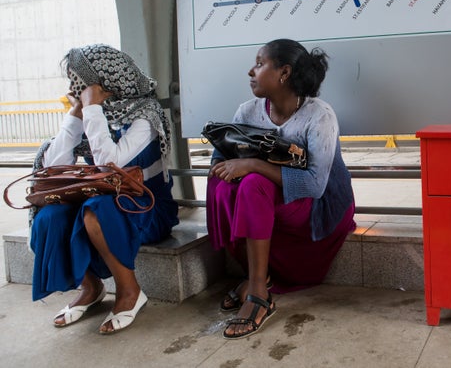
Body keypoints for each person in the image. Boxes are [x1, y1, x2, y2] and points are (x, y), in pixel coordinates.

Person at [206, 38, 356, 339]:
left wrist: (254, 165)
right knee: (222, 186)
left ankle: (259, 293)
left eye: (260, 64)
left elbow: (315, 185)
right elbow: (219, 161)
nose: (251, 71)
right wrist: (232, 163)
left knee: (253, 184)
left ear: (284, 73)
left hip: (317, 205)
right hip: (269, 200)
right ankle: (257, 275)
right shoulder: (247, 111)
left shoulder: (319, 115)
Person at [29, 44, 178, 334]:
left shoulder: (145, 115)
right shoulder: (88, 114)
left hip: (146, 207)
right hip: (101, 202)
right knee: (50, 216)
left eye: (82, 82)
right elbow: (54, 165)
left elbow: (110, 164)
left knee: (94, 211)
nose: (75, 88)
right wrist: (75, 115)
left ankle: (129, 292)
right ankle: (91, 287)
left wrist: (93, 109)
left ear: (106, 82)